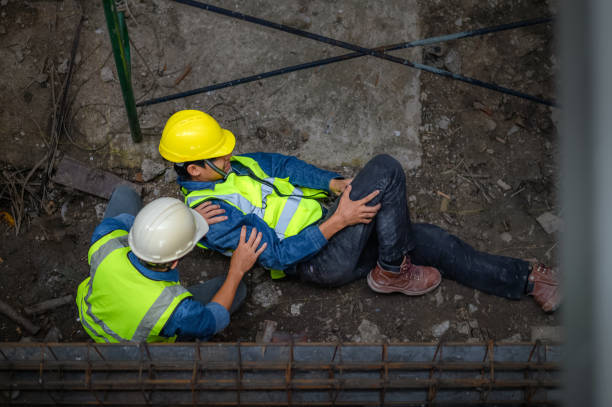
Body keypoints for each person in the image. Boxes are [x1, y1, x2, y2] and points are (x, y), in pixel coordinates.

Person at [158, 109, 560, 312]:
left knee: (433, 240)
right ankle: (390, 270)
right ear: (195, 169)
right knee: (385, 169)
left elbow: (282, 165)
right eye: (219, 157)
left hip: (333, 227)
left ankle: (526, 280)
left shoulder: (234, 165)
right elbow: (277, 255)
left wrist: (333, 184)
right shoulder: (213, 215)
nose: (230, 156)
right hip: (317, 261)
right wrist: (339, 220)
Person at [75, 185, 267, 343]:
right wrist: (237, 269)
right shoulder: (175, 310)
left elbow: (132, 226)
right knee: (237, 289)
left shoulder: (105, 240)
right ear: (174, 263)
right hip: (131, 349)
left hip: (89, 317)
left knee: (124, 194)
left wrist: (181, 222)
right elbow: (212, 321)